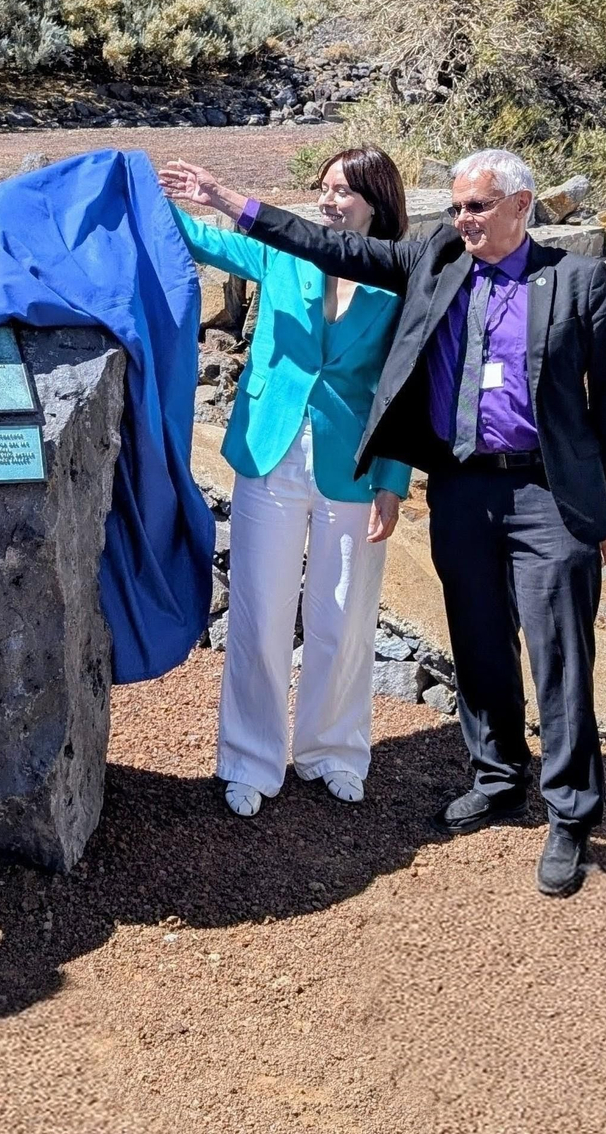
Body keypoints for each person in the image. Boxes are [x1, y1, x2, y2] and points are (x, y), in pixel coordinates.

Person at [159, 150, 606, 899]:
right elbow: (313, 247)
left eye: (477, 206)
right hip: (448, 483)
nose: (463, 219)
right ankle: (495, 776)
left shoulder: (569, 279)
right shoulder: (435, 261)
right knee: (473, 640)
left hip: (535, 489)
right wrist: (215, 197)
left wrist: (602, 507)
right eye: (456, 207)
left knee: (552, 653)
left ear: (521, 206)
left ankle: (566, 813)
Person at [172, 147, 412, 814]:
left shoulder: (399, 279)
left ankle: (332, 750)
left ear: (376, 203)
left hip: (354, 466)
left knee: (344, 616)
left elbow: (405, 387)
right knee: (261, 609)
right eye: (324, 187)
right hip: (268, 450)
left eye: (343, 191)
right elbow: (201, 240)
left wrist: (393, 481)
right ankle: (249, 760)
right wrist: (138, 190)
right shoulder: (284, 253)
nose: (328, 200)